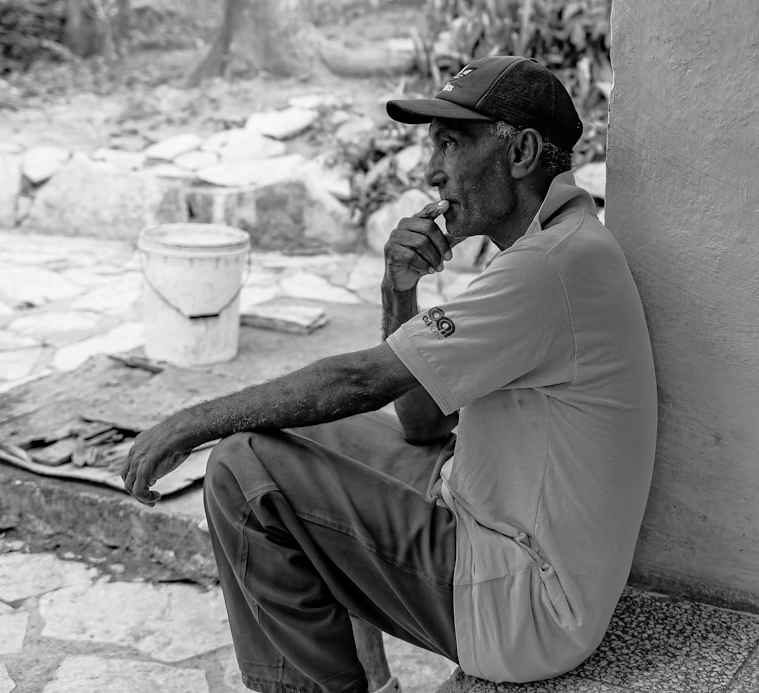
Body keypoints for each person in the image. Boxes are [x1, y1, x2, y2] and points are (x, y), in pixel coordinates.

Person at [120, 55, 657, 692]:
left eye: (453, 144)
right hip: (488, 520)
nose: (433, 172)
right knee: (295, 444)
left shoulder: (548, 270)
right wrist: (399, 291)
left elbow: (358, 383)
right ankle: (376, 683)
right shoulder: (564, 245)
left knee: (242, 467)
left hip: (524, 606)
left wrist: (189, 423)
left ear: (523, 153)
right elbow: (422, 425)